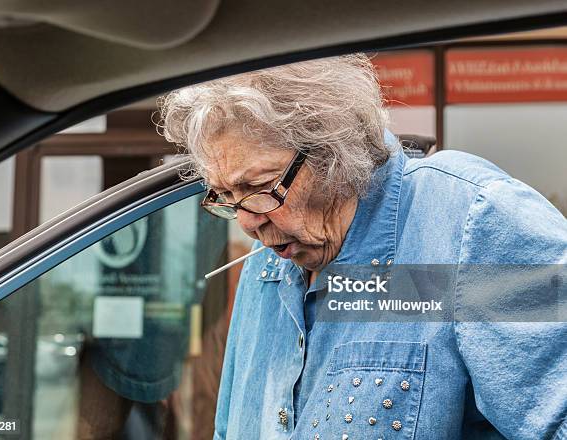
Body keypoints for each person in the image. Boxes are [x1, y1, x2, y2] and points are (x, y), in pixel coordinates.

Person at [159, 54, 567, 439]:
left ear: (332, 152)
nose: (247, 222)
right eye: (225, 195)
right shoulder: (265, 267)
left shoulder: (470, 222)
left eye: (260, 187)